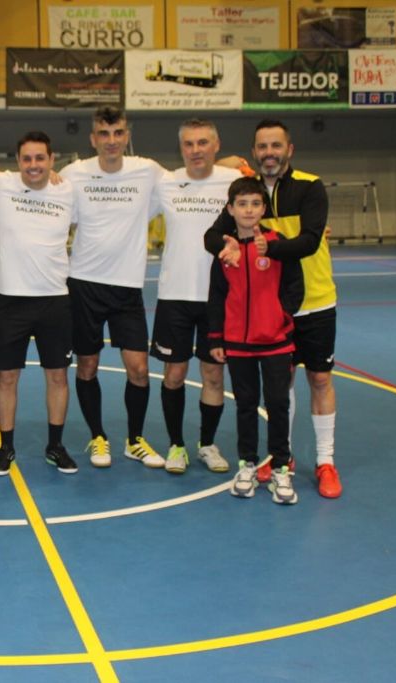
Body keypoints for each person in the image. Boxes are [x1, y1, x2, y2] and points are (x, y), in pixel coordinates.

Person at [205, 120, 342, 499]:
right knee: (282, 387)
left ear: (289, 149)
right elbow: (213, 235)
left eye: (276, 146)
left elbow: (310, 241)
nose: (270, 153)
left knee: (320, 380)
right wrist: (226, 247)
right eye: (262, 147)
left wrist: (270, 248)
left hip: (314, 302)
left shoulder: (310, 186)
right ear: (254, 152)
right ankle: (283, 458)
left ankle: (326, 461)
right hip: (265, 312)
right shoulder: (247, 193)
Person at [59, 106, 166, 470]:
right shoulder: (74, 173)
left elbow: (188, 178)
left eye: (118, 133)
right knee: (87, 366)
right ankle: (98, 436)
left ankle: (134, 441)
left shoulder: (147, 170)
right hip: (84, 284)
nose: (111, 140)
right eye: (104, 134)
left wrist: (227, 164)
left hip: (127, 288)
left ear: (127, 136)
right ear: (93, 139)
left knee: (139, 369)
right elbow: (37, 189)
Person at [0, 131, 77, 476]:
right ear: (18, 161)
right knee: (7, 377)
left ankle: (55, 446)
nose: (34, 165)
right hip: (11, 300)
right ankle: (6, 447)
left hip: (55, 300)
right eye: (27, 159)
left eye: (40, 158)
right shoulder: (1, 184)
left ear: (51, 160)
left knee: (58, 377)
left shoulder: (68, 189)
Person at [150, 119, 243, 475]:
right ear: (181, 148)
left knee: (213, 375)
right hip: (175, 295)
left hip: (219, 297)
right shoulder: (165, 182)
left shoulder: (233, 181)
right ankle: (176, 445)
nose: (196, 150)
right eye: (189, 144)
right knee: (174, 374)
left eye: (203, 142)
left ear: (216, 145)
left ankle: (207, 444)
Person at [207, 177, 303, 504]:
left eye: (255, 204)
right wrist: (217, 337)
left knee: (278, 404)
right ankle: (247, 464)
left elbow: (294, 287)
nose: (249, 210)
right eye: (242, 204)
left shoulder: (278, 244)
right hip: (238, 342)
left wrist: (282, 318)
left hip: (275, 341)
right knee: (246, 405)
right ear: (231, 209)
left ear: (263, 209)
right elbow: (217, 295)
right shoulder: (225, 250)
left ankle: (280, 469)